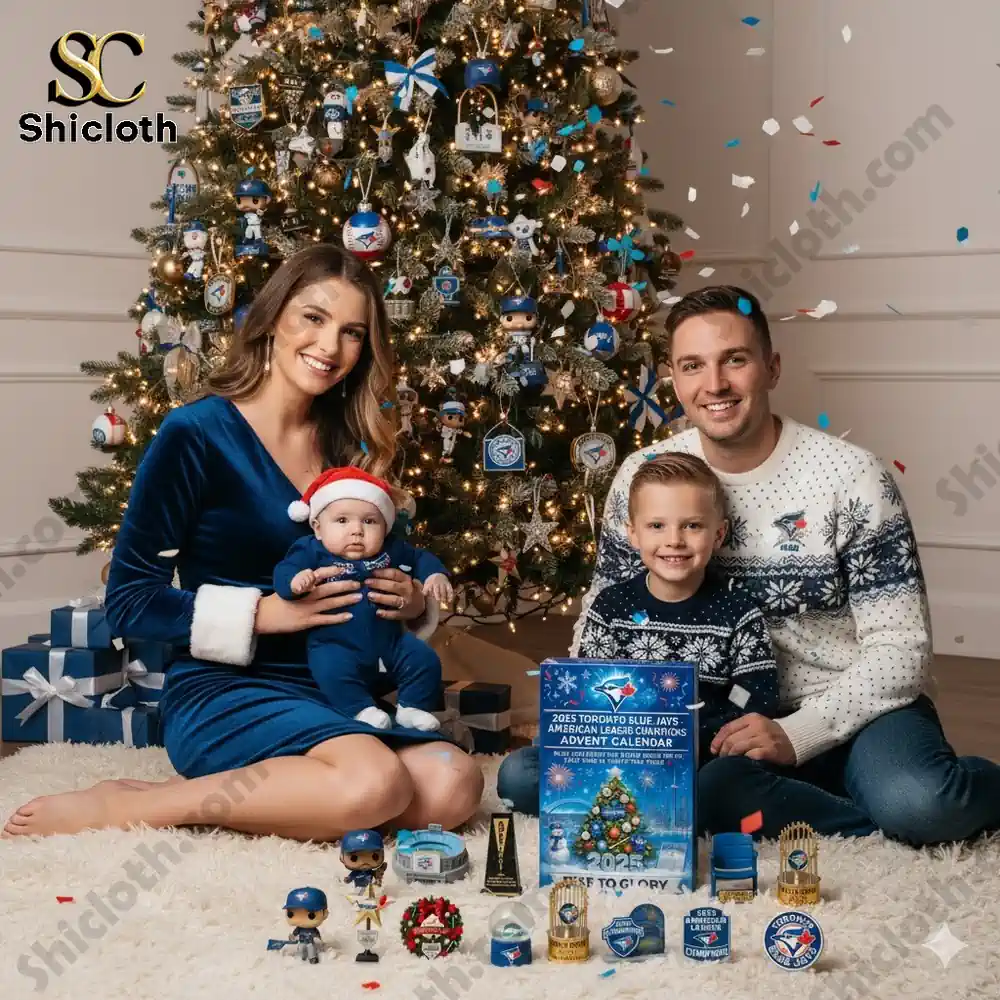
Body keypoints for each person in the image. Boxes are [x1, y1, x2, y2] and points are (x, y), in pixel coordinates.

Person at [3, 243, 484, 840]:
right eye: (313, 318)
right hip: (228, 687)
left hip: (341, 684)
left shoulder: (352, 443)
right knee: (376, 785)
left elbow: (399, 561)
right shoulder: (196, 435)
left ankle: (309, 791)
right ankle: (134, 804)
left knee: (453, 784)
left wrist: (414, 601)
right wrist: (265, 612)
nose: (330, 347)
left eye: (352, 332)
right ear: (275, 317)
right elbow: (129, 600)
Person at [498, 285, 1000, 847]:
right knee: (524, 778)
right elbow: (607, 610)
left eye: (734, 360)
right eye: (693, 366)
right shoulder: (646, 476)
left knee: (921, 804)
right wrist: (611, 723)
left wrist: (797, 733)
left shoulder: (851, 477)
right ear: (675, 379)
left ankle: (870, 785)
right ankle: (815, 796)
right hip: (698, 722)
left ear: (771, 367)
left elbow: (902, 649)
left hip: (848, 710)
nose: (714, 385)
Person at [578, 453, 778, 762]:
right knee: (520, 773)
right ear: (633, 534)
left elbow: (755, 697)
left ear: (719, 534)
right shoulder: (611, 608)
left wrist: (699, 737)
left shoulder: (737, 613)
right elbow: (589, 694)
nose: (674, 540)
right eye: (657, 525)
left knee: (731, 782)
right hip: (623, 753)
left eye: (692, 526)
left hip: (707, 756)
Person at [276, 465, 452, 731]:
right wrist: (295, 581)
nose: (357, 530)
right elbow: (284, 570)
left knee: (423, 659)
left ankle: (412, 707)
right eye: (342, 521)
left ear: (385, 527)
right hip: (334, 641)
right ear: (318, 527)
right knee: (331, 669)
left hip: (389, 639)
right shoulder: (311, 550)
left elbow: (420, 558)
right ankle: (360, 709)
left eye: (369, 521)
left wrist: (434, 576)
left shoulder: (391, 550)